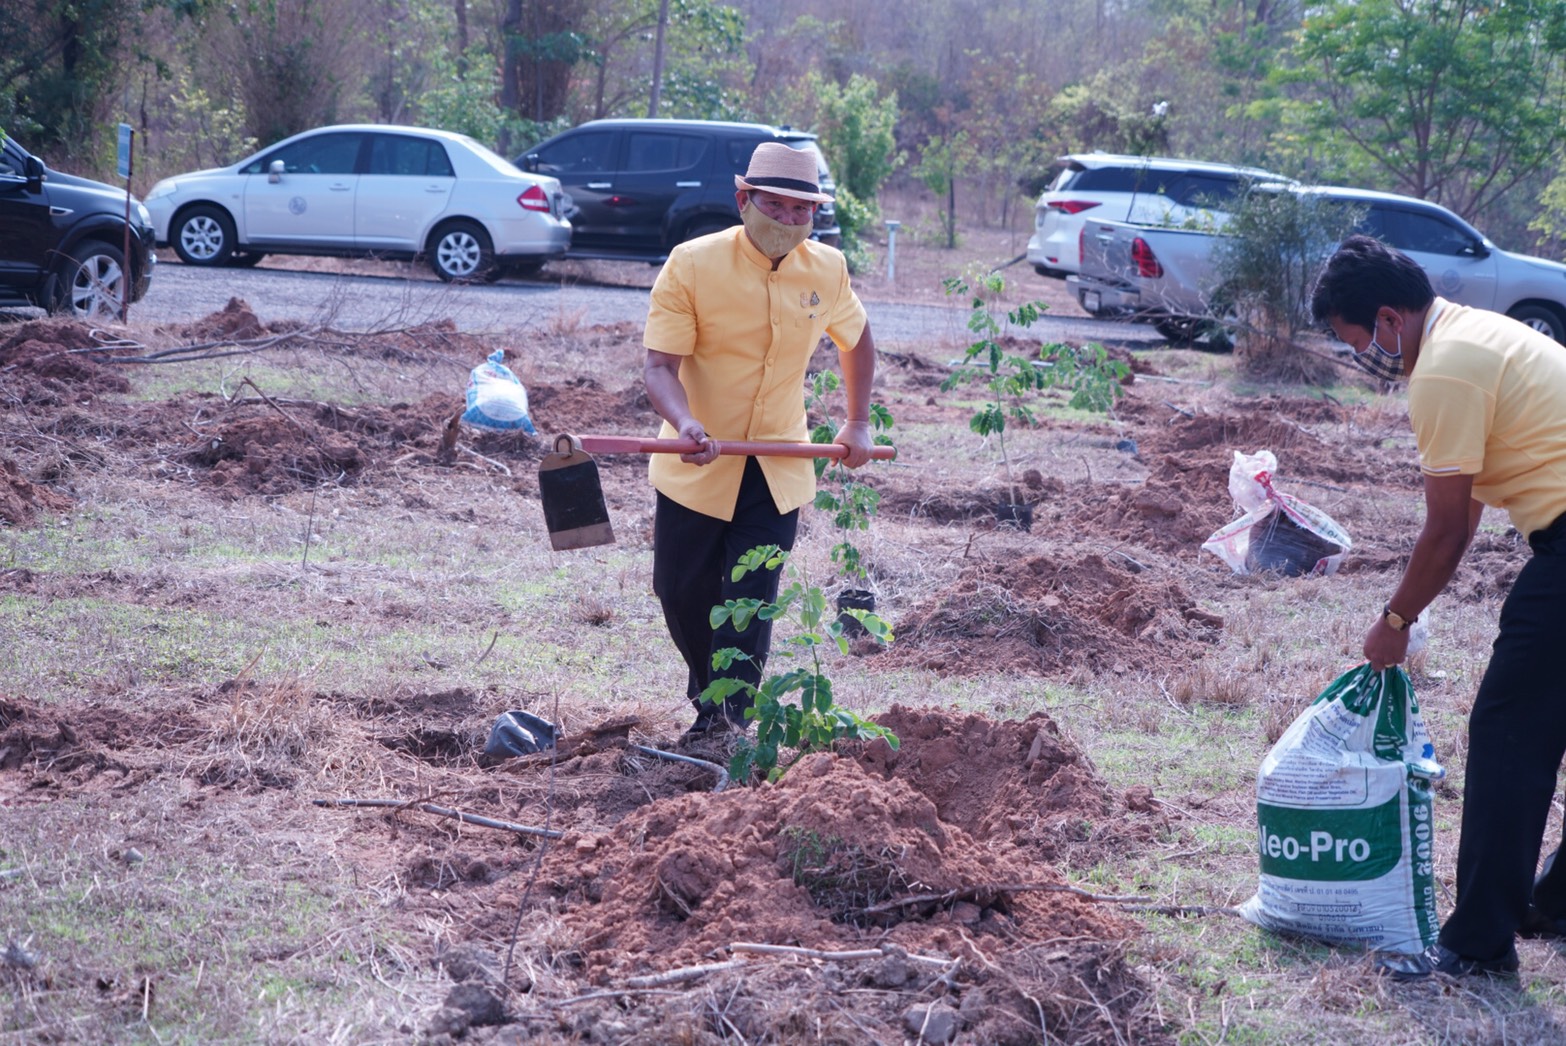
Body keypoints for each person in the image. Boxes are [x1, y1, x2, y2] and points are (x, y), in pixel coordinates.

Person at [1310, 234, 1566, 979]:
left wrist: (1393, 621)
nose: (1363, 357)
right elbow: (1471, 515)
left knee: (1508, 732)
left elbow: (1449, 531)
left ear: (1390, 320)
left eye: (1356, 341)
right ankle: (1552, 901)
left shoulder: (1444, 371)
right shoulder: (1483, 329)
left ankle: (1479, 944)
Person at [642, 142, 876, 736]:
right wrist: (685, 422)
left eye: (804, 212)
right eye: (777, 208)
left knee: (750, 596)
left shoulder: (827, 268)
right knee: (679, 589)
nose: (791, 223)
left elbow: (857, 340)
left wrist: (858, 421)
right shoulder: (691, 263)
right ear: (743, 200)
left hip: (777, 464)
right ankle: (709, 694)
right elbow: (660, 367)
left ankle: (729, 719)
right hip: (697, 461)